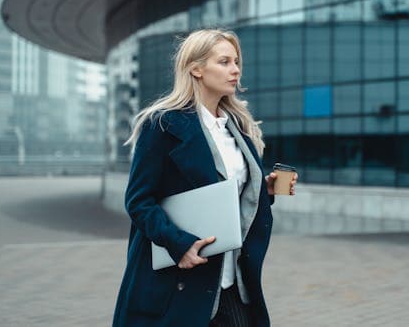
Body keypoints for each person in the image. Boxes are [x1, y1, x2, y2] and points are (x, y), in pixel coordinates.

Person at [112, 29, 297, 326]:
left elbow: (221, 192)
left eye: (236, 62)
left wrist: (263, 190)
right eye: (224, 62)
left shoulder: (236, 128)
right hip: (180, 281)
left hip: (233, 281)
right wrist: (178, 243)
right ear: (196, 68)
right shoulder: (162, 125)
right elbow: (139, 201)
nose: (235, 70)